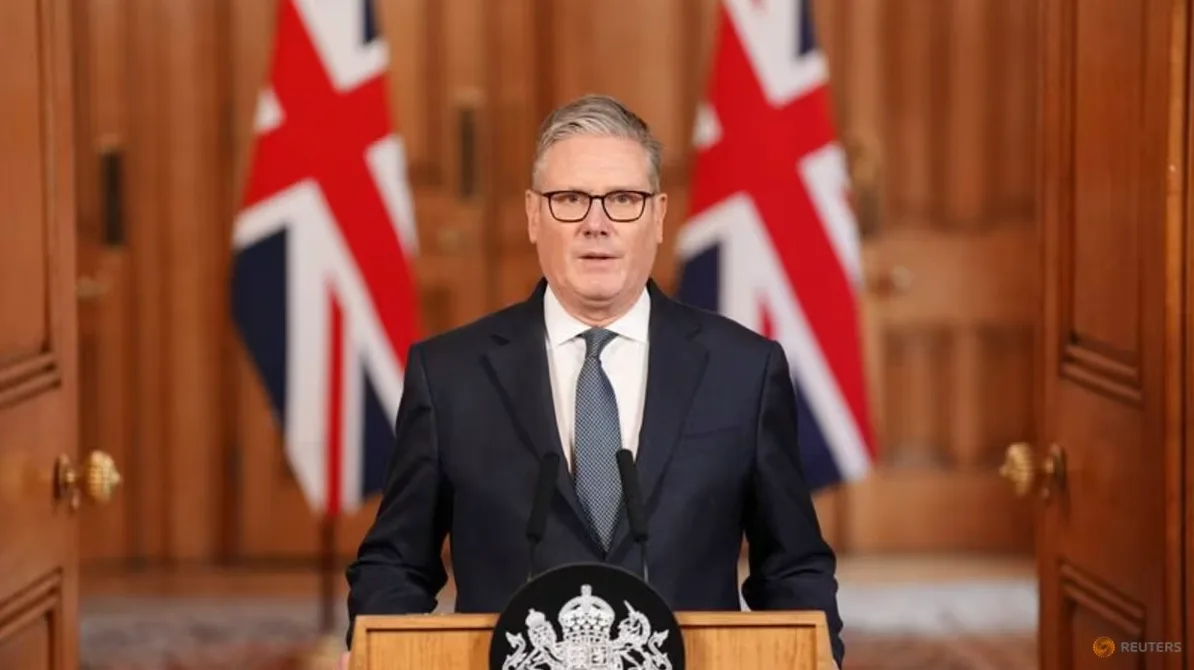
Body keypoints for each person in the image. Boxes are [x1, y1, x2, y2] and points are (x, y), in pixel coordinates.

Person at [339, 94, 844, 670]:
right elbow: (396, 563)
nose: (596, 224)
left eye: (624, 199)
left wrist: (817, 653)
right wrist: (377, 651)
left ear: (658, 216)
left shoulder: (744, 370)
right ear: (533, 215)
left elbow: (792, 565)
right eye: (570, 199)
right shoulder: (450, 374)